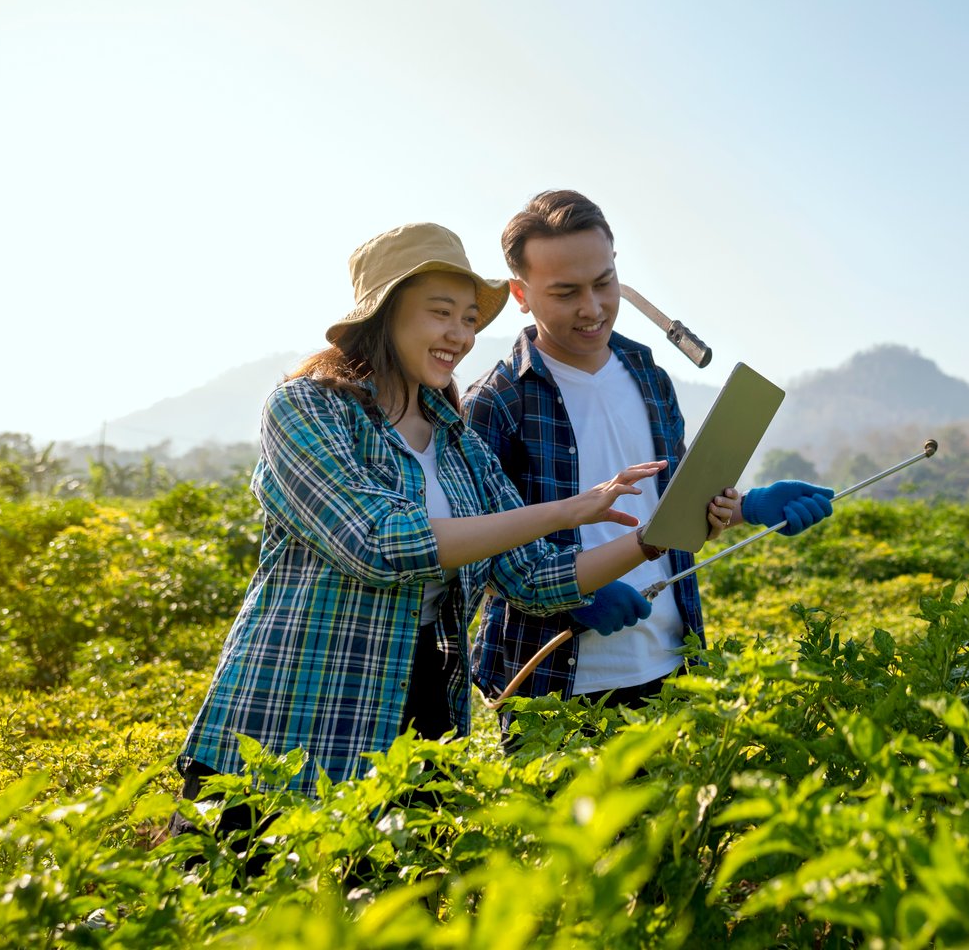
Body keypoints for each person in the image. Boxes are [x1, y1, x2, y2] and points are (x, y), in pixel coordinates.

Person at [176, 221, 676, 814]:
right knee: (240, 896)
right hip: (295, 707)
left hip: (423, 703)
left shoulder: (460, 444)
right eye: (442, 313)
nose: (460, 335)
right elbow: (378, 542)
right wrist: (565, 510)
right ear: (384, 314)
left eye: (469, 318)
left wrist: (652, 539)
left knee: (395, 896)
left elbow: (534, 578)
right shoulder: (307, 408)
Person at [462, 190, 834, 728]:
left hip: (670, 663)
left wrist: (749, 507)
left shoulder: (649, 375)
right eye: (566, 292)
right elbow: (478, 553)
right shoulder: (496, 404)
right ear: (521, 293)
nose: (591, 308)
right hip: (553, 682)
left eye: (603, 283)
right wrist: (572, 601)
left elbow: (676, 510)